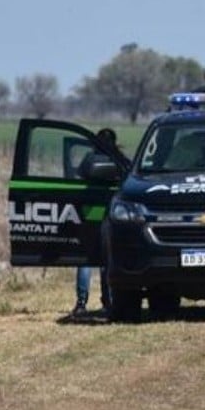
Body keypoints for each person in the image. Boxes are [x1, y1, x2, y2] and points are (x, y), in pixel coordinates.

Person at [73, 127, 123, 316]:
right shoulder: (119, 160)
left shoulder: (89, 159)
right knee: (107, 260)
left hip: (90, 213)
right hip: (111, 215)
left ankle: (81, 303)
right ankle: (108, 301)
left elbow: (77, 180)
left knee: (85, 260)